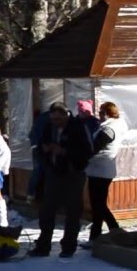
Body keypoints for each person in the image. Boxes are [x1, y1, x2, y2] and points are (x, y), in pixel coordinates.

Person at [29, 102, 91, 258]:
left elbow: (88, 150)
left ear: (66, 115)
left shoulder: (78, 127)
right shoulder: (49, 127)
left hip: (73, 173)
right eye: (53, 119)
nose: (56, 122)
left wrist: (65, 152)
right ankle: (43, 246)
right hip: (53, 172)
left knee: (73, 211)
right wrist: (44, 151)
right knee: (47, 210)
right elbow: (38, 145)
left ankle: (68, 246)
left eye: (59, 119)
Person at [84, 101, 127, 242]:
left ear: (109, 113)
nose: (100, 115)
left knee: (98, 205)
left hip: (100, 169)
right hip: (101, 169)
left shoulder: (108, 129)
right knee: (99, 204)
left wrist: (81, 157)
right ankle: (113, 229)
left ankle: (98, 235)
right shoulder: (112, 126)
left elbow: (94, 148)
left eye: (102, 112)